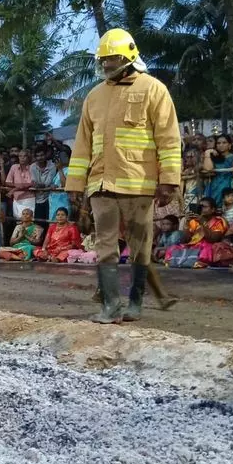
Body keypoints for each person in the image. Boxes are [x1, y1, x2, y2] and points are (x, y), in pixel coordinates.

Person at [65, 28, 181, 324]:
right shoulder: (93, 96)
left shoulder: (154, 90)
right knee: (105, 247)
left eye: (112, 58)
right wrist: (75, 184)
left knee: (140, 247)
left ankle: (136, 304)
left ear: (129, 56)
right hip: (100, 185)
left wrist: (169, 180)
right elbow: (82, 144)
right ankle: (110, 306)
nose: (106, 64)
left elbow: (168, 138)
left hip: (139, 184)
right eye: (103, 59)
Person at [165, 197, 228, 269]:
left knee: (207, 247)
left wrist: (203, 223)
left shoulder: (218, 222)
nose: (201, 209)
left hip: (206, 247)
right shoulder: (194, 221)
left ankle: (188, 261)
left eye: (204, 207)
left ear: (213, 209)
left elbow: (213, 239)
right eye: (200, 207)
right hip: (193, 246)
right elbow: (185, 240)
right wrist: (187, 223)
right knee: (173, 248)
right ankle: (182, 261)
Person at [202, 133, 233, 206]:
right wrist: (207, 152)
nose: (221, 145)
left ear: (229, 145)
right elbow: (208, 168)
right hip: (213, 187)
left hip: (228, 186)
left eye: (224, 143)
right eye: (218, 143)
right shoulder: (213, 157)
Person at [5, 149, 35, 220]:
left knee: (28, 220)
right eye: (20, 156)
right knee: (18, 220)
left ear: (28, 157)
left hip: (29, 198)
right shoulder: (14, 167)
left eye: (25, 156)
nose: (22, 158)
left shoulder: (32, 167)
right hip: (16, 198)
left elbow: (31, 183)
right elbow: (8, 181)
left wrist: (14, 189)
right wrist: (17, 186)